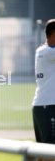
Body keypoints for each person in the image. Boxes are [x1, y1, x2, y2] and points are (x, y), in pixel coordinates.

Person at [32, 19, 55, 149]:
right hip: (48, 107)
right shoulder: (47, 52)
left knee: (43, 152)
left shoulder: (43, 51)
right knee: (50, 151)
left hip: (44, 106)